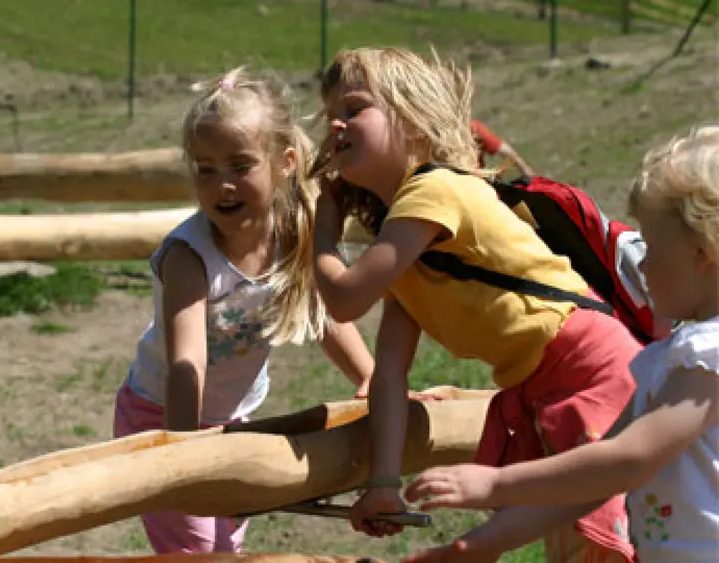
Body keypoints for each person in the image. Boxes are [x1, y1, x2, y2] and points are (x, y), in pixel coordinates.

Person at [308, 47, 640, 561]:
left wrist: (323, 235)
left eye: (354, 108)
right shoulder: (407, 242)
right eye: (330, 111)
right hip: (547, 380)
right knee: (574, 545)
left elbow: (345, 299)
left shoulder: (433, 191)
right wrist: (384, 481)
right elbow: (390, 374)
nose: (335, 121)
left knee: (598, 544)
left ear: (414, 123)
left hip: (588, 367)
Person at [401, 125, 719, 563]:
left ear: (703, 254)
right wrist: (482, 543)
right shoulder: (677, 356)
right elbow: (597, 474)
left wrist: (496, 484)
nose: (642, 264)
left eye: (655, 249)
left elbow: (630, 458)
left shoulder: (708, 357)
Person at [115, 67, 375, 554]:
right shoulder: (190, 257)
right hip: (164, 417)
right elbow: (185, 363)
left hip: (234, 421)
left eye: (240, 166)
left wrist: (368, 376)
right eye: (206, 169)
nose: (222, 185)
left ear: (285, 162)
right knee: (196, 552)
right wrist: (182, 453)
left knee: (226, 540)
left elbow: (322, 311)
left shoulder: (293, 234)